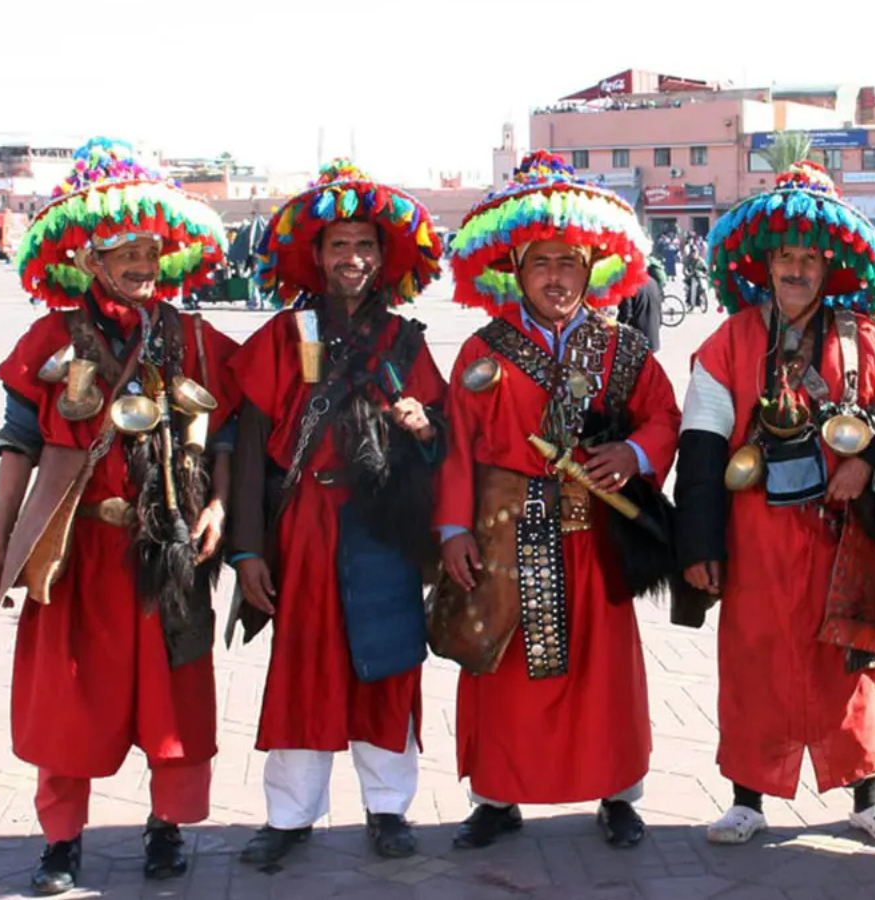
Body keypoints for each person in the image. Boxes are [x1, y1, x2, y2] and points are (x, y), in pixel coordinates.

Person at [0, 137, 238, 894]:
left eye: (150, 249)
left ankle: (166, 831)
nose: (139, 262)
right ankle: (61, 842)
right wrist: (2, 546)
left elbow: (227, 430)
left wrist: (221, 503)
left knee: (176, 700)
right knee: (67, 700)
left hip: (170, 547)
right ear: (91, 257)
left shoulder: (190, 336)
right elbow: (17, 448)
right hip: (79, 551)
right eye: (123, 248)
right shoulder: (49, 339)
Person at [435, 151, 681, 850]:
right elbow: (456, 446)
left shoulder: (622, 348)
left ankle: (618, 793)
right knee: (504, 669)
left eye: (569, 263)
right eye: (541, 263)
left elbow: (662, 417)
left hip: (594, 540)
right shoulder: (483, 351)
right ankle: (495, 796)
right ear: (517, 271)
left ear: (590, 269)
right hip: (505, 537)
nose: (556, 278)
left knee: (605, 679)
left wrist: (630, 454)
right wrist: (453, 529)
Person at [674, 160, 875, 848]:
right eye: (785, 255)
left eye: (810, 257)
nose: (797, 269)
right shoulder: (727, 344)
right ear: (765, 262)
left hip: (843, 537)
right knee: (752, 662)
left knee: (852, 660)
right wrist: (700, 547)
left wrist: (867, 465)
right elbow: (699, 448)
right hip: (755, 541)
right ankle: (747, 797)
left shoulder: (867, 341)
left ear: (828, 264)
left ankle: (867, 794)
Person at [227, 160, 449, 866]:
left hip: (384, 527)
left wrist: (423, 425)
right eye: (338, 245)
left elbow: (443, 438)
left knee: (387, 668)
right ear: (316, 257)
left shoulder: (409, 344)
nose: (353, 258)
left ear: (384, 259)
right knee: (302, 668)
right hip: (303, 527)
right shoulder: (281, 339)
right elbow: (246, 451)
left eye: (365, 246)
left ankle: (389, 809)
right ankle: (289, 816)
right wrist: (247, 550)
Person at [617, 258, 664, 351]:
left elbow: (626, 313)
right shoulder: (653, 282)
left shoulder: (630, 284)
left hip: (637, 339)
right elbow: (659, 307)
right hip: (653, 336)